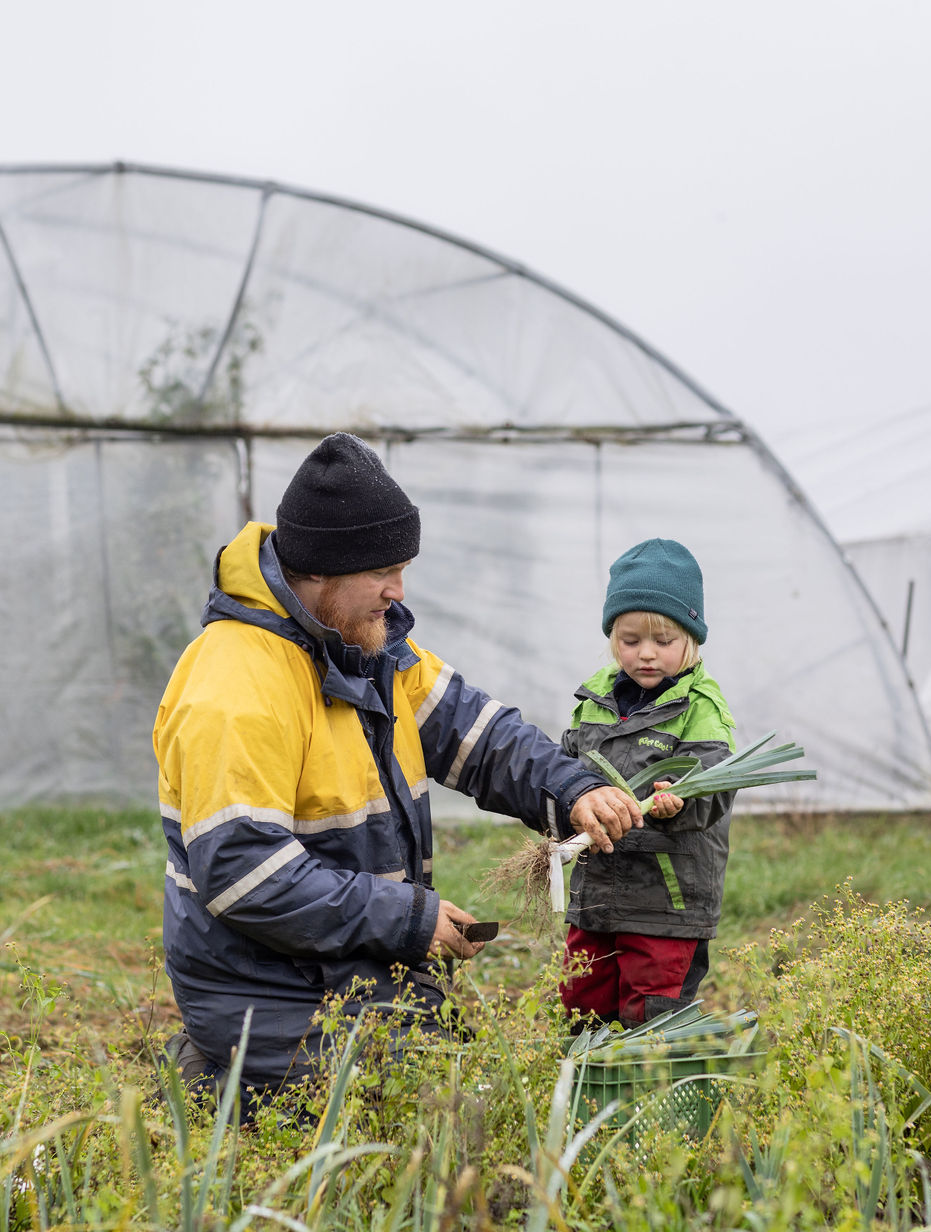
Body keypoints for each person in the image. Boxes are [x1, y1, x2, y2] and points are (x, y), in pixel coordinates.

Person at [154, 432, 641, 1105]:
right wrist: (409, 917)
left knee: (456, 1089)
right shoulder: (236, 686)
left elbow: (474, 731)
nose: (398, 588)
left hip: (345, 962)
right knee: (419, 1118)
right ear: (321, 569)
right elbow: (244, 871)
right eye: (383, 570)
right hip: (265, 982)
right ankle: (217, 1068)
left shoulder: (364, 642)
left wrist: (571, 788)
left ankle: (222, 1073)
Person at [558, 538, 737, 1029]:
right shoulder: (593, 699)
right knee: (582, 1002)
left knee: (651, 1017)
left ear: (692, 639)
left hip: (667, 902)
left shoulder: (701, 708)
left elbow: (712, 788)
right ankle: (586, 1099)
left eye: (664, 641)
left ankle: (648, 1102)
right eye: (630, 640)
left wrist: (678, 799)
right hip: (596, 896)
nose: (646, 654)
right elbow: (565, 770)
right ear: (612, 636)